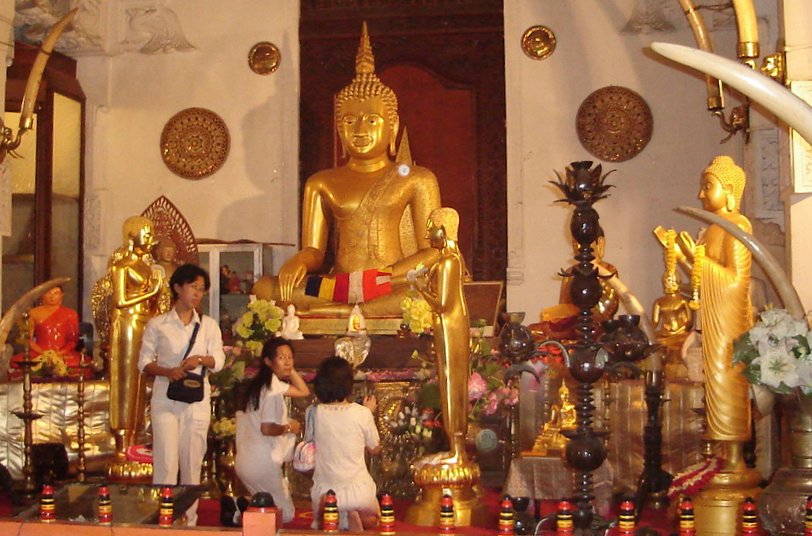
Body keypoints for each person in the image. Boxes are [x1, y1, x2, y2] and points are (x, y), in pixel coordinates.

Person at [252, 23, 442, 316]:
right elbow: (315, 251)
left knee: (426, 296)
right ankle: (349, 309)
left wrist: (382, 277)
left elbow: (433, 251)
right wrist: (300, 262)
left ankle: (339, 313)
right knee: (265, 289)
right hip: (337, 286)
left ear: (392, 127)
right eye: (350, 121)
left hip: (389, 282)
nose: (360, 129)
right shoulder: (322, 182)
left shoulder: (418, 179)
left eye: (371, 120)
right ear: (339, 130)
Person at [654, 155, 755, 478]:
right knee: (711, 386)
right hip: (710, 322)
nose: (700, 194)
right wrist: (684, 258)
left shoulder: (737, 226)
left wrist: (694, 258)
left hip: (729, 323)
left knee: (728, 384)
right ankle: (719, 458)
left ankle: (736, 459)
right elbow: (701, 285)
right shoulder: (713, 229)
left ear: (728, 190)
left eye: (707, 186)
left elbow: (736, 281)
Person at [137, 263, 225, 526]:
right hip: (166, 396)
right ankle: (163, 518)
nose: (197, 294)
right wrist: (167, 371)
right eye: (193, 287)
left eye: (201, 289)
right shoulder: (158, 324)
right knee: (165, 459)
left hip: (197, 398)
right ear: (177, 288)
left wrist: (200, 359)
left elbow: (219, 359)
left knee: (192, 460)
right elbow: (143, 362)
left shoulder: (208, 325)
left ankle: (190, 519)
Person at [107, 215, 165, 466]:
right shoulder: (122, 267)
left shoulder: (146, 267)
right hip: (128, 323)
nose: (151, 238)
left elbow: (153, 305)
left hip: (146, 323)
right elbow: (119, 301)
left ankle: (136, 443)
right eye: (146, 232)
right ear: (132, 235)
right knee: (126, 383)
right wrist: (152, 291)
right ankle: (122, 442)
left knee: (142, 383)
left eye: (152, 233)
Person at [414, 208, 470, 464]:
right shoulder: (444, 260)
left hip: (450, 325)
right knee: (449, 381)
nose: (426, 234)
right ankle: (453, 447)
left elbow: (443, 303)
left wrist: (419, 288)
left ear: (444, 230)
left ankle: (457, 449)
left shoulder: (449, 261)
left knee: (452, 382)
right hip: (447, 325)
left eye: (430, 228)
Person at [234, 337, 309, 524]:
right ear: (268, 361)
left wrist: (290, 370)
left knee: (265, 506)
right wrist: (289, 427)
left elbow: (303, 391)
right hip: (262, 462)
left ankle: (239, 510)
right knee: (285, 513)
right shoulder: (272, 392)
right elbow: (267, 428)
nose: (288, 361)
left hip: (246, 461)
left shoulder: (263, 385)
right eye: (282, 357)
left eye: (290, 357)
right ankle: (240, 508)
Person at [310, 356, 380, 531]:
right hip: (359, 492)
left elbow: (309, 444)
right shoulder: (361, 413)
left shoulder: (313, 412)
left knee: (324, 520)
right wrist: (369, 413)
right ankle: (352, 516)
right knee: (374, 520)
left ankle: (338, 518)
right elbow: (374, 448)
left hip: (324, 495)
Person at [9, 285, 86, 379]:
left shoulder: (70, 314)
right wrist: (44, 353)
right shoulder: (33, 313)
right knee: (18, 362)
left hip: (62, 354)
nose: (52, 296)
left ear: (61, 295)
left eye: (55, 293)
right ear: (42, 295)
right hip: (39, 353)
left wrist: (59, 353)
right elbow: (27, 339)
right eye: (48, 293)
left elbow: (73, 340)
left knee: (79, 363)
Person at [558, 226, 619, 323]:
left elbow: (610, 306)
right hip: (573, 325)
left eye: (582, 244)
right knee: (535, 331)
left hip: (599, 324)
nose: (577, 247)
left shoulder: (608, 270)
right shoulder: (570, 272)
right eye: (575, 243)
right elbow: (563, 307)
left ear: (600, 243)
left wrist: (587, 314)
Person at [531, 383, 576, 455]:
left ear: (567, 395)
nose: (562, 397)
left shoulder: (571, 407)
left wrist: (567, 423)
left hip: (567, 426)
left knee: (571, 430)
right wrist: (547, 425)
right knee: (549, 431)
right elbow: (552, 420)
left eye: (564, 395)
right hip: (557, 427)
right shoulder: (555, 407)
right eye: (561, 395)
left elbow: (574, 419)